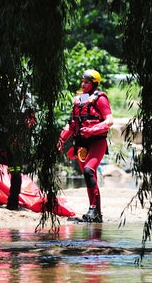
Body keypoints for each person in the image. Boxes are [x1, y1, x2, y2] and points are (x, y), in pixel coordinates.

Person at [57, 69, 113, 223]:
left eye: (86, 82)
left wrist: (92, 130)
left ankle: (94, 210)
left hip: (97, 142)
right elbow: (72, 124)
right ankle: (96, 214)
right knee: (90, 176)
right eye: (82, 81)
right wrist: (61, 140)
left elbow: (109, 121)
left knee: (89, 171)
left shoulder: (100, 99)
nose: (83, 84)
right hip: (81, 144)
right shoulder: (81, 100)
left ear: (94, 83)